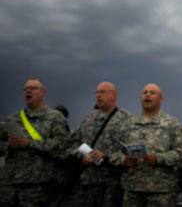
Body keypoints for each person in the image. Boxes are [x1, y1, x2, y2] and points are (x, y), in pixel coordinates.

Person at [110, 83, 182, 206]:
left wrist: (158, 159)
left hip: (161, 190)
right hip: (132, 189)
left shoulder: (171, 123)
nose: (148, 95)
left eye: (152, 93)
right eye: (145, 92)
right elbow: (113, 153)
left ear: (161, 99)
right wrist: (123, 160)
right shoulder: (128, 124)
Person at [0, 78, 70, 206]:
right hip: (9, 185)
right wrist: (7, 145)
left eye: (33, 88)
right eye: (26, 89)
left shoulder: (55, 117)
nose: (28, 91)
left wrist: (29, 143)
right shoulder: (12, 119)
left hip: (38, 185)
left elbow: (62, 146)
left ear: (43, 92)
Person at [63, 81, 131, 206]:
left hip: (114, 183)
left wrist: (106, 155)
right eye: (97, 92)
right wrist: (82, 157)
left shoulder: (127, 119)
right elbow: (70, 145)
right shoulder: (88, 119)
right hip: (88, 182)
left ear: (114, 95)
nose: (98, 95)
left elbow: (130, 152)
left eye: (103, 92)